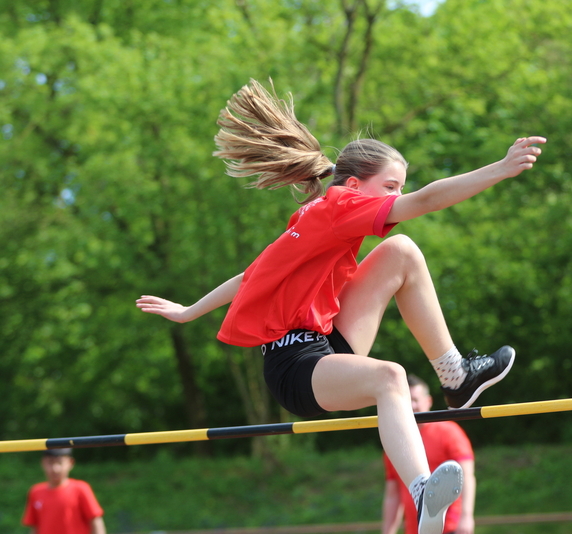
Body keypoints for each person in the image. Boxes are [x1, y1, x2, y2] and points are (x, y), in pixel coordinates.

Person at [136, 79, 545, 534]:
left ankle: (456, 376)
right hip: (295, 367)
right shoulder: (339, 206)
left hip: (327, 343)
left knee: (402, 251)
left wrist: (190, 310)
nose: (395, 197)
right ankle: (422, 492)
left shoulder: (316, 214)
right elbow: (427, 200)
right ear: (353, 185)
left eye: (399, 188)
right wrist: (499, 169)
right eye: (389, 187)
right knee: (390, 377)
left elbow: (252, 275)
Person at [383, 375, 476, 534]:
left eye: (415, 399)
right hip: (415, 530)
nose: (412, 405)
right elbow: (393, 494)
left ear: (428, 401)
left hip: (450, 528)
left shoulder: (449, 432)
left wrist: (466, 516)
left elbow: (466, 476)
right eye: (407, 401)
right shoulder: (395, 442)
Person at [22, 448, 106, 534]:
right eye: (50, 462)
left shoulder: (81, 489)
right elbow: (34, 527)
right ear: (43, 463)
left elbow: (96, 520)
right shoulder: (36, 492)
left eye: (60, 463)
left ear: (70, 463)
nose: (55, 468)